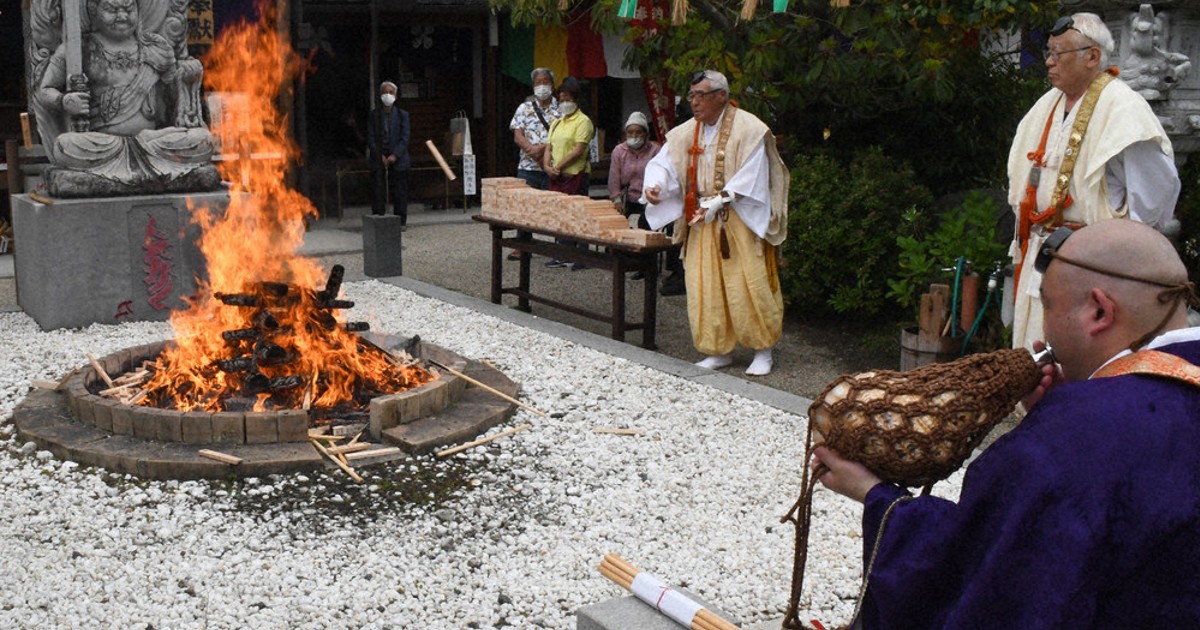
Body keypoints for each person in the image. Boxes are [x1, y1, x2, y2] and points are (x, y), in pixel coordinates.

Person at [813, 219, 1200, 628]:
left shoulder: (1072, 437)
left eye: (1048, 306)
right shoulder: (1107, 415)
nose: (1043, 328)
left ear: (1099, 310)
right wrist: (1077, 405)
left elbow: (986, 573)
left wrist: (877, 497)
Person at [1008, 12, 1180, 351]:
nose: (1049, 62)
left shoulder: (1123, 109)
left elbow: (1155, 194)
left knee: (1082, 358)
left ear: (1092, 56)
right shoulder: (1047, 105)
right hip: (1041, 252)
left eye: (1059, 54)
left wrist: (1121, 252)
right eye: (1049, 52)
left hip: (1093, 265)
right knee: (1036, 352)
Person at [642, 70, 789, 376]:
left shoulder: (749, 128)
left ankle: (762, 349)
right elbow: (664, 164)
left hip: (738, 219)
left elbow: (753, 175)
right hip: (701, 221)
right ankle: (717, 349)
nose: (694, 102)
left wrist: (722, 199)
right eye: (692, 95)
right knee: (703, 284)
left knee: (748, 283)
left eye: (701, 95)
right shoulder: (686, 132)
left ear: (721, 95)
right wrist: (655, 187)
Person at [32, 0, 215, 195]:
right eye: (112, 10)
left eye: (128, 9)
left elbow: (172, 102)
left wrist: (185, 78)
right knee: (65, 145)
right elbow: (44, 90)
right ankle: (141, 166)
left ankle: (138, 163)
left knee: (202, 140)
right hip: (103, 144)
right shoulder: (78, 48)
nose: (122, 16)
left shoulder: (155, 48)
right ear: (94, 11)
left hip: (152, 141)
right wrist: (64, 101)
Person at [608, 112, 674, 282]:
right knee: (615, 222)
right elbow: (614, 178)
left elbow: (661, 174)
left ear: (645, 133)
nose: (634, 136)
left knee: (646, 223)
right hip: (628, 195)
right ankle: (623, 258)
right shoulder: (619, 151)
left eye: (638, 132)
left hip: (650, 197)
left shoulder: (655, 150)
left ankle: (645, 265)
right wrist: (616, 199)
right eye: (630, 133)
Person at [507, 67, 561, 260]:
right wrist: (531, 149)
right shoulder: (524, 107)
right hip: (527, 166)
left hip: (552, 166)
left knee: (555, 207)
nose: (542, 86)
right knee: (524, 207)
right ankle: (522, 245)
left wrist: (543, 149)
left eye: (546, 82)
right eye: (538, 83)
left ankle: (558, 249)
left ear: (553, 85)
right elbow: (517, 133)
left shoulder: (560, 108)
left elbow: (564, 136)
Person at [542, 76, 594, 271]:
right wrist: (547, 166)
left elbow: (578, 149)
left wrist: (559, 166)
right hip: (557, 175)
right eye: (561, 100)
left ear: (576, 100)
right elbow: (549, 146)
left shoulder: (583, 121)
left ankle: (582, 255)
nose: (564, 104)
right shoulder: (557, 123)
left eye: (567, 100)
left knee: (578, 215)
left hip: (576, 174)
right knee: (560, 215)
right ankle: (562, 253)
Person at [367, 81, 411, 224]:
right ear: (380, 95)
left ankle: (400, 222)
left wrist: (394, 155)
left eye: (391, 92)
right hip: (378, 157)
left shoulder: (402, 115)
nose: (387, 95)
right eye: (385, 92)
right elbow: (371, 137)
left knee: (399, 192)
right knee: (377, 191)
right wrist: (378, 154)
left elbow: (405, 137)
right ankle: (378, 221)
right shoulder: (374, 115)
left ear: (396, 96)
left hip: (398, 158)